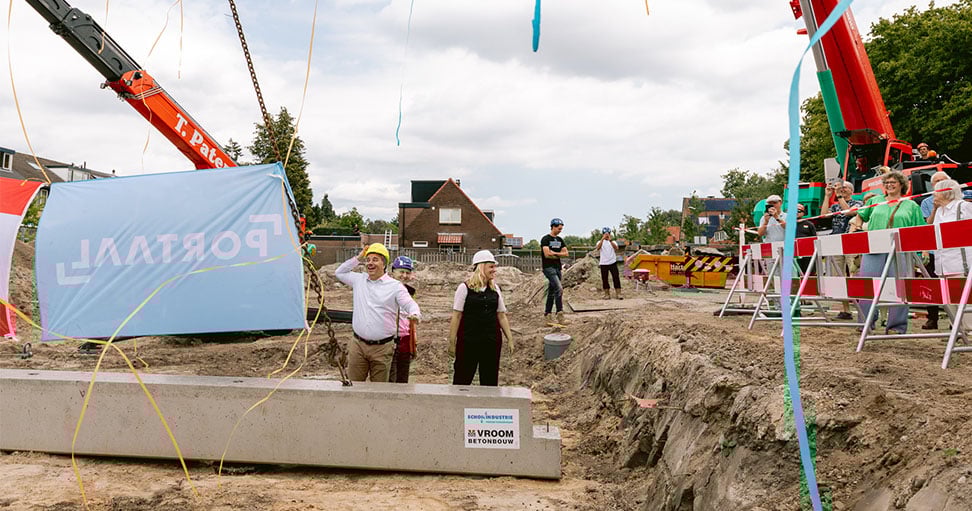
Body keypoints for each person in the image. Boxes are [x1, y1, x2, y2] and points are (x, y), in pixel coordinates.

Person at [335, 243, 421, 382]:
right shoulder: (359, 280)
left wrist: (415, 314)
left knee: (379, 389)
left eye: (375, 260)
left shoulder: (395, 286)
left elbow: (410, 304)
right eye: (368, 260)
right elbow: (339, 272)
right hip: (358, 345)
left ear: (384, 264)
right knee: (354, 386)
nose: (370, 263)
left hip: (383, 348)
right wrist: (358, 258)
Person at [856, 171, 925, 335]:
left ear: (902, 185)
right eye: (887, 183)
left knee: (900, 288)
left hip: (900, 250)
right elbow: (860, 216)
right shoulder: (874, 201)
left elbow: (920, 230)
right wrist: (857, 228)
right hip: (874, 248)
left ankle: (896, 326)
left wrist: (923, 251)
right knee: (867, 285)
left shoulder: (911, 205)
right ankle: (865, 322)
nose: (889, 185)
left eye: (893, 182)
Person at [448, 250, 514, 386]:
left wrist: (510, 339)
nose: (494, 270)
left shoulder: (495, 289)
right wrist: (452, 342)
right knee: (462, 378)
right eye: (491, 266)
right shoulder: (464, 288)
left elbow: (501, 315)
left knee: (490, 380)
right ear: (481, 267)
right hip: (468, 342)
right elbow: (457, 316)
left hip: (491, 341)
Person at [931, 179, 972, 332]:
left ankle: (969, 330)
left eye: (936, 191)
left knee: (965, 298)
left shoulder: (963, 207)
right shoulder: (939, 211)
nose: (934, 195)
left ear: (946, 192)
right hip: (942, 263)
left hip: (961, 262)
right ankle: (957, 331)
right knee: (949, 299)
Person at [824, 180, 864, 319]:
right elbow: (824, 215)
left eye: (844, 187)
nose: (842, 189)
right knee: (838, 276)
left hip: (851, 241)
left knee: (855, 274)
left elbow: (849, 213)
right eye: (840, 188)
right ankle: (845, 310)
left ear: (851, 190)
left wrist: (839, 196)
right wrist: (827, 196)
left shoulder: (857, 203)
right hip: (836, 241)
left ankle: (862, 308)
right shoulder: (835, 206)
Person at [919, 171, 952, 330]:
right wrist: (934, 209)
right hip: (934, 250)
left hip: (953, 250)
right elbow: (927, 225)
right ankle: (932, 318)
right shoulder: (926, 202)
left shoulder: (959, 200)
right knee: (931, 284)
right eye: (936, 182)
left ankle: (955, 321)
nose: (940, 183)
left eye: (942, 180)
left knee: (954, 285)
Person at [388, 256, 418, 383]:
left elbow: (411, 321)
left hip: (405, 341)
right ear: (393, 272)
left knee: (403, 379)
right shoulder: (385, 289)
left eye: (407, 272)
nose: (404, 275)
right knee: (390, 379)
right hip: (389, 341)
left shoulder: (410, 292)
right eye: (401, 272)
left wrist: (413, 343)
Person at [541, 218, 569, 323]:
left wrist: (555, 253)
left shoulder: (560, 240)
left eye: (561, 229)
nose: (560, 230)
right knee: (559, 288)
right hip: (548, 268)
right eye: (559, 228)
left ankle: (547, 315)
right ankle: (560, 314)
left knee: (552, 292)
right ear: (553, 227)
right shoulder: (545, 239)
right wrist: (557, 254)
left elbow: (566, 253)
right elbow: (547, 254)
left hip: (558, 268)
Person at [596, 227, 622, 300]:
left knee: (616, 278)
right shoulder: (600, 242)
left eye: (608, 234)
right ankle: (607, 294)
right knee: (605, 279)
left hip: (612, 262)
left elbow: (616, 248)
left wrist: (610, 240)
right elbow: (598, 248)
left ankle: (618, 293)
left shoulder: (613, 242)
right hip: (603, 263)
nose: (606, 235)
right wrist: (602, 239)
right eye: (605, 234)